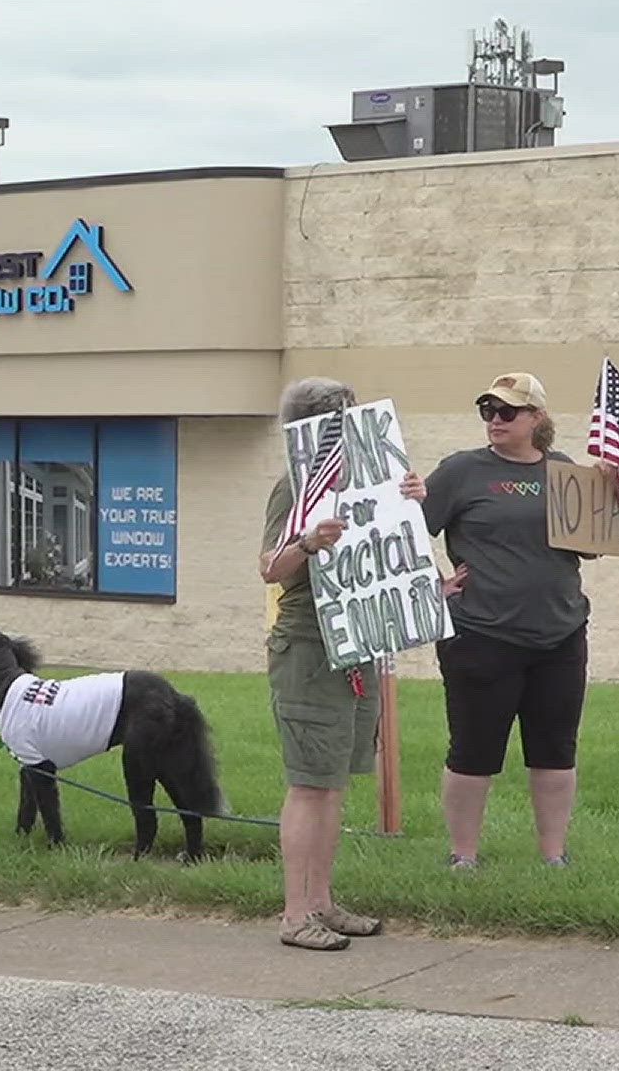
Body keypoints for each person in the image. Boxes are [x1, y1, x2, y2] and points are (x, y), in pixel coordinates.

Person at [260, 377, 426, 951]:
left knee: (331, 785)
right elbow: (269, 568)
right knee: (309, 783)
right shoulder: (296, 488)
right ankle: (294, 913)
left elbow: (390, 558)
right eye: (338, 418)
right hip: (308, 647)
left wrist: (411, 515)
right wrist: (307, 542)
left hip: (356, 646)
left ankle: (322, 903)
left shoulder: (373, 486)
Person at [421, 372, 596, 871]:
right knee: (474, 749)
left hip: (559, 632)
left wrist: (610, 495)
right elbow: (409, 530)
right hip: (481, 633)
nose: (495, 420)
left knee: (555, 749)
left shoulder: (564, 472)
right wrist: (433, 586)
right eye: (488, 411)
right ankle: (464, 856)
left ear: (536, 418)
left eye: (507, 412)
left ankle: (554, 855)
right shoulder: (461, 472)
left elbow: (588, 543)